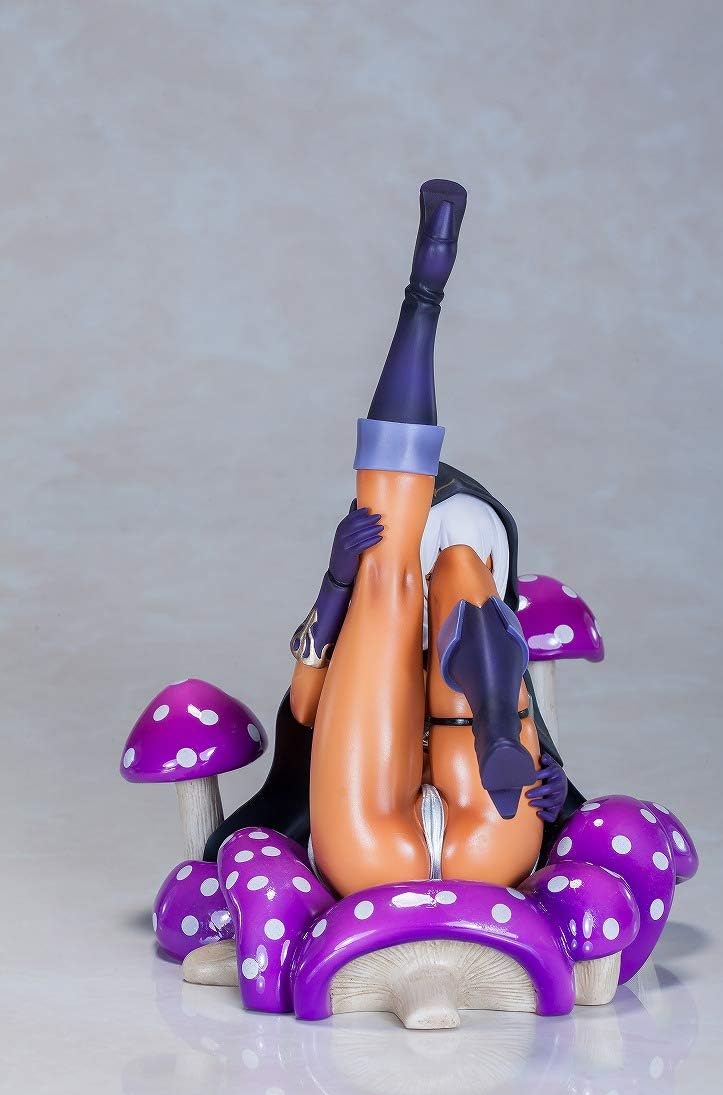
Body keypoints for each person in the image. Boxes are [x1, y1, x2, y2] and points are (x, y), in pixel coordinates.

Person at [204, 181, 584, 889]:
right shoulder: (387, 605)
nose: (457, 559)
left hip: (481, 836)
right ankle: (423, 298)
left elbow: (316, 693)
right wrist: (339, 580)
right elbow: (308, 705)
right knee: (390, 579)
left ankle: (422, 297)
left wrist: (555, 796)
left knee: (452, 597)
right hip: (384, 842)